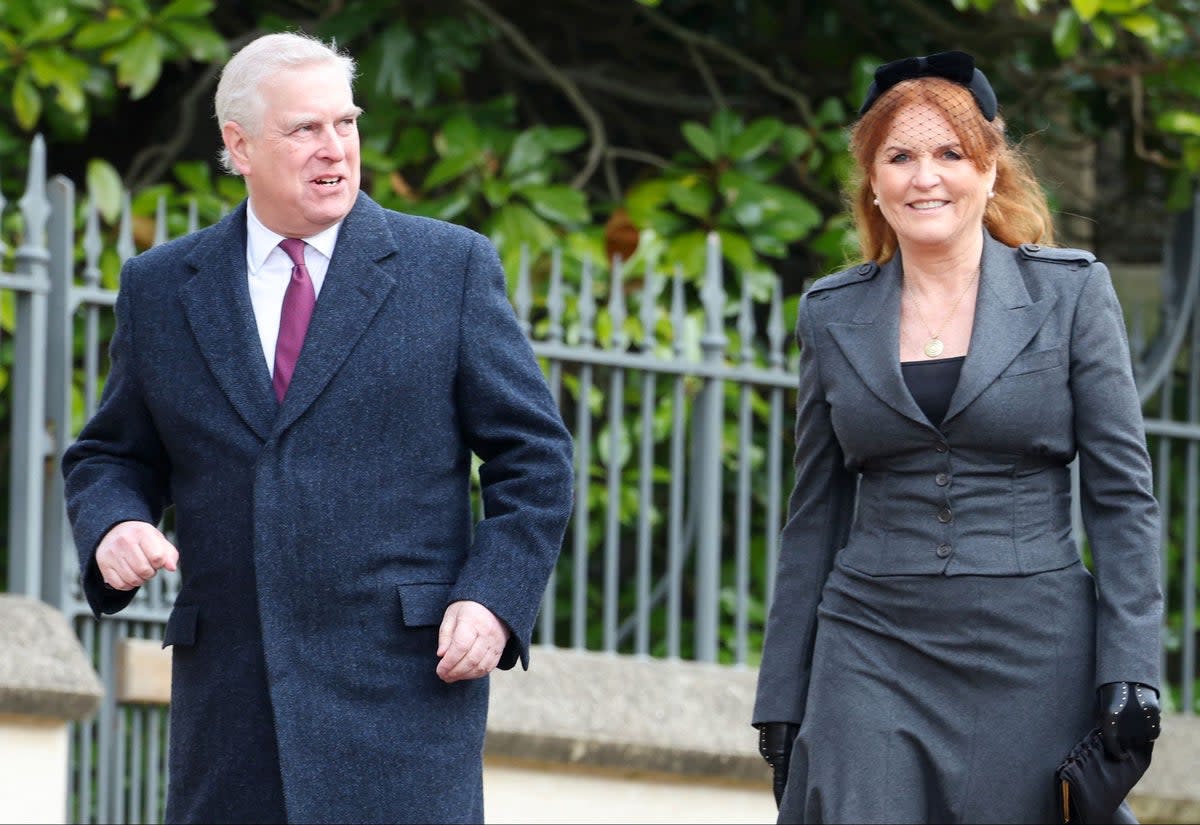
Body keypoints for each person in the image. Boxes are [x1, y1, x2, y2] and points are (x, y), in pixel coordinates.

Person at [62, 30, 574, 825]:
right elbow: (109, 452)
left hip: (404, 694)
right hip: (230, 708)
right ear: (240, 145)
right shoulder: (162, 286)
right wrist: (115, 522)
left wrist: (494, 596)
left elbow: (535, 459)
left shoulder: (449, 268)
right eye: (305, 129)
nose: (334, 148)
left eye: (346, 123)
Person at [752, 51, 1163, 823]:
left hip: (1034, 646)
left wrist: (1132, 668)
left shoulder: (1071, 293)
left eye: (949, 153)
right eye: (899, 156)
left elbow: (1122, 499)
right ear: (872, 181)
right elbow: (813, 513)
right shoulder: (830, 314)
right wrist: (781, 693)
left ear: (989, 169)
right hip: (870, 638)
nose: (924, 176)